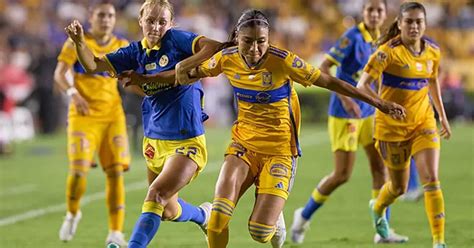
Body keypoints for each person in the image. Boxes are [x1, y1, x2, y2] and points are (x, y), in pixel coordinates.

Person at [176, 9, 405, 248]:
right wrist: (157, 77)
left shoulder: (284, 60)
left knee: (260, 232)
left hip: (280, 151)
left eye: (261, 42)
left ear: (268, 39)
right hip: (243, 145)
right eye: (247, 42)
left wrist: (379, 102)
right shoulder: (227, 57)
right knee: (218, 217)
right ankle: (219, 212)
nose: (254, 49)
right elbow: (192, 72)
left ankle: (275, 220)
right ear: (237, 38)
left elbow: (329, 80)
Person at [64, 0, 223, 247]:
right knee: (168, 210)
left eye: (162, 21)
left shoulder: (177, 40)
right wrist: (79, 42)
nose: (156, 27)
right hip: (154, 141)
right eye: (150, 20)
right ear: (140, 21)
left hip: (186, 141)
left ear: (171, 23)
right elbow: (93, 64)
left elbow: (213, 47)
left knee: (156, 195)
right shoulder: (134, 53)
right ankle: (204, 215)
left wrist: (184, 66)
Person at [290, 0, 409, 244]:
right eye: (370, 10)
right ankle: (303, 216)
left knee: (380, 169)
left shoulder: (383, 40)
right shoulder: (351, 37)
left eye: (379, 10)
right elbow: (324, 66)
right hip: (345, 115)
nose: (375, 14)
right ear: (363, 13)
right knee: (342, 174)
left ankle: (382, 230)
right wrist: (345, 100)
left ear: (385, 14)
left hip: (370, 113)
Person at [356, 2, 451, 248]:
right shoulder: (388, 52)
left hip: (423, 122)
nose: (414, 26)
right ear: (399, 24)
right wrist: (382, 105)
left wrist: (442, 116)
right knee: (398, 188)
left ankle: (439, 241)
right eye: (409, 21)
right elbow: (362, 85)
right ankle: (377, 207)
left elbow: (432, 82)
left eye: (419, 21)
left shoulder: (433, 51)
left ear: (425, 24)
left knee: (431, 178)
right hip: (391, 128)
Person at [54, 2, 130, 246]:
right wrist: (72, 93)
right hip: (83, 114)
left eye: (110, 15)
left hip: (112, 116)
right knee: (78, 171)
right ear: (91, 17)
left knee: (115, 172)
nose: (106, 19)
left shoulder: (122, 46)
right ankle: (73, 213)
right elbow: (60, 73)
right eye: (101, 15)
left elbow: (132, 77)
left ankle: (116, 232)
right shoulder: (77, 42)